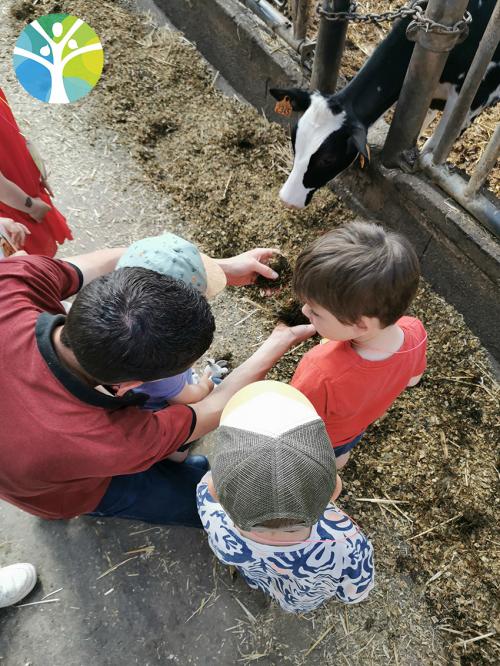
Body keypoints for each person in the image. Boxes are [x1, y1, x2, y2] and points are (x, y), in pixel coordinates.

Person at [0, 245, 314, 528]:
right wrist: (280, 339)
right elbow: (212, 408)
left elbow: (112, 258)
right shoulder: (112, 440)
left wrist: (216, 268)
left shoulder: (12, 282)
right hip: (55, 491)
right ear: (131, 385)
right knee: (199, 501)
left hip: (25, 459)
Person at [197, 381, 374, 613]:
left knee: (261, 580)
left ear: (215, 493)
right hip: (303, 598)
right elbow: (355, 590)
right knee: (296, 602)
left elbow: (207, 489)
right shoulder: (345, 541)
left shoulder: (212, 512)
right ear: (335, 491)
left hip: (257, 574)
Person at [291, 221, 427, 469]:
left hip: (318, 439)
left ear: (361, 325)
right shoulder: (415, 332)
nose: (304, 310)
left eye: (316, 312)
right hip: (355, 428)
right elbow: (413, 379)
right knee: (340, 453)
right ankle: (337, 464)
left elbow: (294, 424)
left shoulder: (320, 370)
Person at [115, 232, 229, 411]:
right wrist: (205, 384)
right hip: (163, 410)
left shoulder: (117, 329)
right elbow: (185, 399)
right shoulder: (162, 366)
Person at [0, 87, 72, 256]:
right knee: (29, 258)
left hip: (22, 185)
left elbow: (12, 130)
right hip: (16, 203)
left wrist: (38, 168)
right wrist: (32, 207)